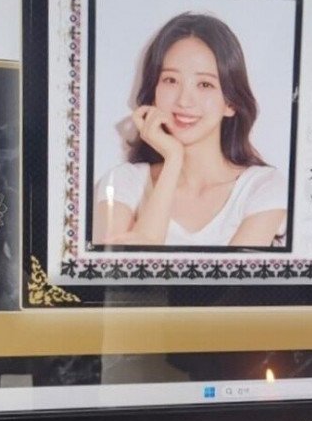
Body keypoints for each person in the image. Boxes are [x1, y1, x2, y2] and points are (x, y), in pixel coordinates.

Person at [93, 12, 288, 247]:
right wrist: (173, 160)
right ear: (153, 92)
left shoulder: (263, 187)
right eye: (170, 80)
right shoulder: (123, 183)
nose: (184, 101)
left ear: (230, 102)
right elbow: (121, 268)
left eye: (205, 84)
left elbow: (234, 278)